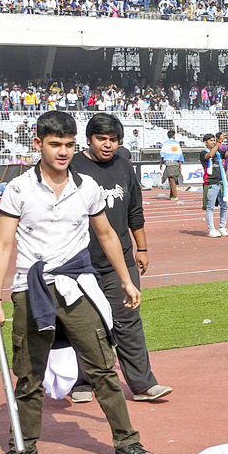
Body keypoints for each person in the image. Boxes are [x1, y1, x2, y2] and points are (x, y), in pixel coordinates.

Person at [0, 112, 157, 454]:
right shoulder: (19, 188)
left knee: (102, 369)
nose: (63, 152)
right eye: (55, 144)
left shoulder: (86, 186)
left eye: (68, 145)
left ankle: (127, 443)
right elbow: (3, 245)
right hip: (31, 289)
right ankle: (24, 448)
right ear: (38, 144)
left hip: (77, 288)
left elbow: (107, 235)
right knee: (29, 374)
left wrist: (126, 280)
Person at [68, 113, 172, 405]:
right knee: (84, 324)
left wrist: (142, 248)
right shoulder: (73, 167)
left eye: (113, 140)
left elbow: (134, 210)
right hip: (79, 262)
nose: (107, 145)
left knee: (128, 320)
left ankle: (143, 384)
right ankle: (83, 381)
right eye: (101, 138)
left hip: (120, 260)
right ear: (88, 139)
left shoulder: (124, 166)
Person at [201, 131, 228, 237]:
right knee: (210, 207)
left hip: (221, 182)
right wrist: (219, 141)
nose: (213, 142)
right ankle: (211, 229)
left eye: (214, 140)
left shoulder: (219, 152)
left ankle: (222, 227)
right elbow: (210, 155)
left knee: (225, 206)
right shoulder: (203, 153)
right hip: (211, 183)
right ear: (205, 142)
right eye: (211, 140)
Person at [159, 129, 184, 200]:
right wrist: (180, 165)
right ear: (173, 136)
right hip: (176, 163)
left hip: (169, 164)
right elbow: (180, 155)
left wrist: (161, 163)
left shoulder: (165, 144)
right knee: (173, 179)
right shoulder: (176, 144)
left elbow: (162, 155)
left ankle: (175, 195)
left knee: (171, 179)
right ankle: (172, 195)